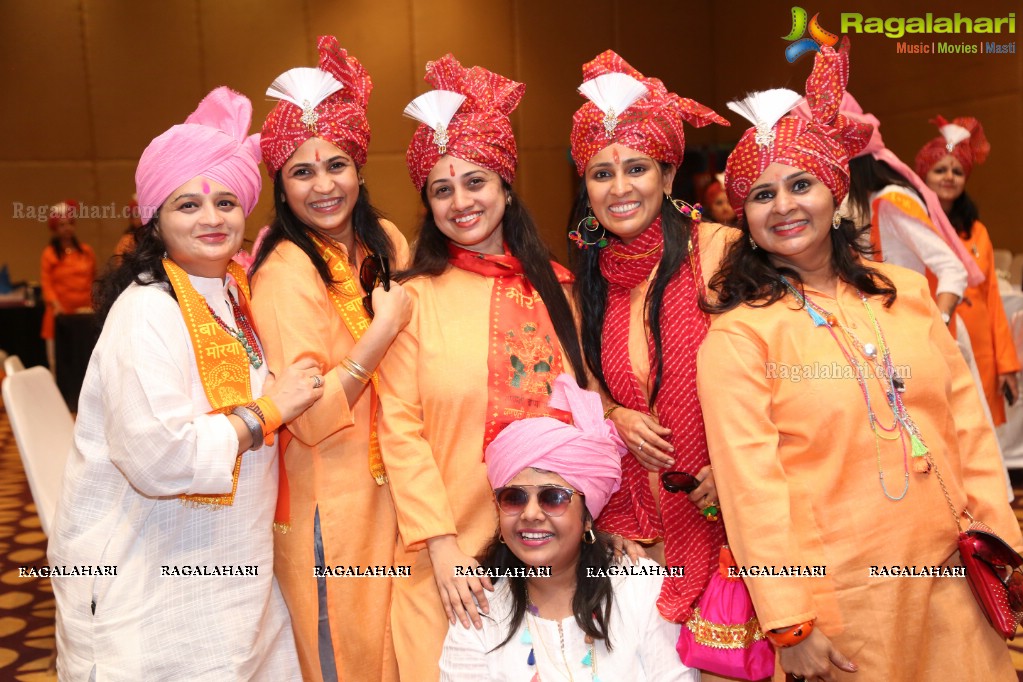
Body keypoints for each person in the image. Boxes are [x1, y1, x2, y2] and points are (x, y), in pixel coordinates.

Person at [697, 41, 1021, 681]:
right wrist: (790, 621)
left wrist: (1001, 542)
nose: (784, 205)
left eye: (800, 184)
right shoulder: (741, 337)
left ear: (837, 192)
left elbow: (967, 425)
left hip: (953, 574)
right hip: (843, 601)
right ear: (745, 216)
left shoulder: (906, 292)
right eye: (762, 195)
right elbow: (751, 492)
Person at [48, 87, 322, 680]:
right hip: (148, 577)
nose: (212, 218)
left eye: (226, 202)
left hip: (231, 568)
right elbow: (158, 455)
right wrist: (268, 411)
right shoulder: (147, 311)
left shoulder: (232, 293)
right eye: (188, 206)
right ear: (154, 217)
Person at [377, 54, 587, 681]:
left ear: (506, 187)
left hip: (554, 557)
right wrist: (440, 547)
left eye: (476, 182)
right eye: (443, 189)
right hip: (445, 564)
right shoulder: (411, 300)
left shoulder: (562, 289)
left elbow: (587, 411)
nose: (461, 202)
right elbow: (399, 428)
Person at [567, 49, 744, 667]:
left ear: (669, 176)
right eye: (600, 173)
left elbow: (771, 380)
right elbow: (584, 384)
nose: (619, 189)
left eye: (636, 168)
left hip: (730, 524)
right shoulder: (589, 276)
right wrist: (614, 414)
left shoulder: (722, 255)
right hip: (634, 538)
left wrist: (733, 472)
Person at [248, 36, 411, 682]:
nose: (323, 186)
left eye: (336, 165)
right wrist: (381, 332)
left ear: (361, 168)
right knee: (344, 660)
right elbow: (309, 421)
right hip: (331, 514)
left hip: (394, 496)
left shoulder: (387, 240)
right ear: (280, 186)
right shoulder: (283, 275)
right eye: (301, 172)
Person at [439, 374, 698, 680]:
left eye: (554, 498)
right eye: (514, 498)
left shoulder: (638, 585)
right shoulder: (481, 608)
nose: (531, 514)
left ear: (588, 517)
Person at [838, 93, 980, 326]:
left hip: (923, 330)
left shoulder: (892, 202)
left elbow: (952, 268)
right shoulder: (858, 204)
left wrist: (939, 324)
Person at [917, 116, 1021, 426]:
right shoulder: (912, 225)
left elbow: (993, 302)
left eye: (957, 171)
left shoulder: (977, 232)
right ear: (924, 174)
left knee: (981, 434)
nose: (949, 176)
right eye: (940, 169)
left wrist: (1006, 364)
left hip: (979, 349)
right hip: (932, 341)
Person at [40, 199, 96, 369]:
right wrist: (56, 306)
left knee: (85, 359)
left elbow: (94, 279)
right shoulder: (49, 254)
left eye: (70, 224)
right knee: (59, 363)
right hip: (60, 317)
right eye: (62, 225)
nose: (67, 228)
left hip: (84, 316)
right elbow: (46, 284)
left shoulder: (86, 251)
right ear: (55, 229)